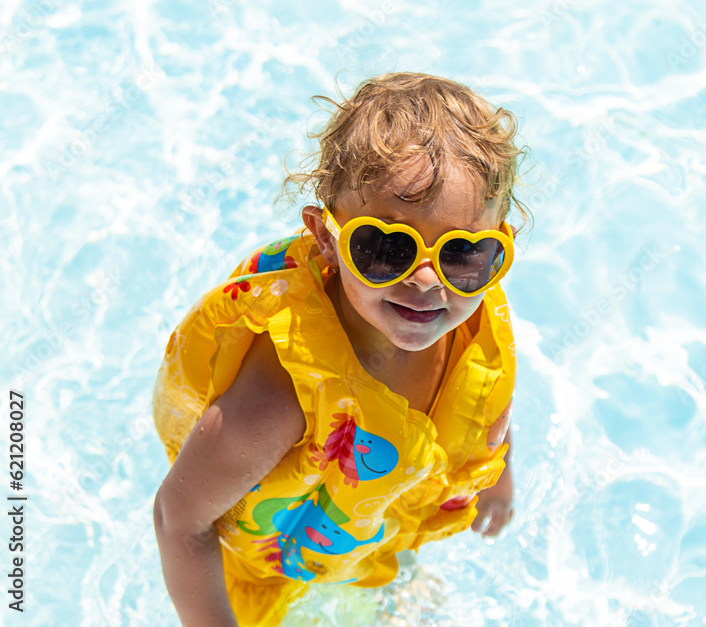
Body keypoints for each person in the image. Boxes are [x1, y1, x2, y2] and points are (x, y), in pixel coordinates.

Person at [151, 72, 528, 627]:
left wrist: (499, 481)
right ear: (327, 238)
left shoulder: (468, 320)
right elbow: (178, 520)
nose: (428, 281)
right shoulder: (285, 389)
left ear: (498, 248)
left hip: (372, 530)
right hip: (274, 565)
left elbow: (480, 402)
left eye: (463, 253)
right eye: (387, 248)